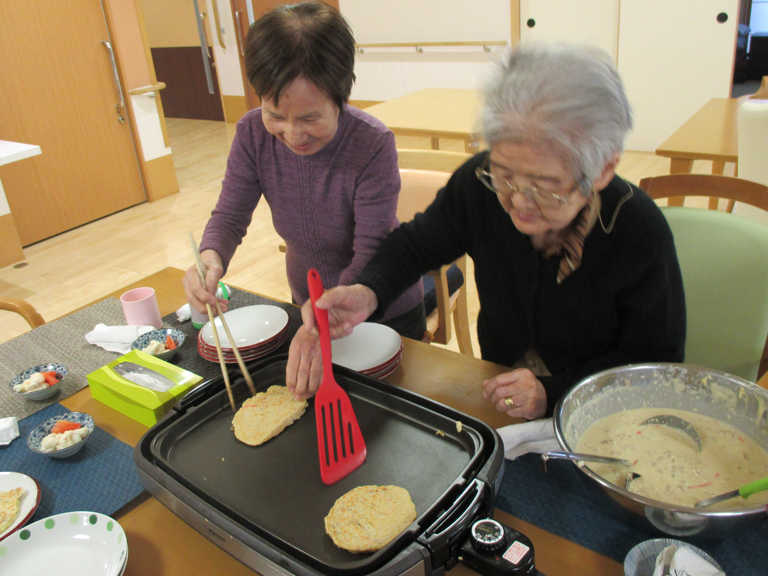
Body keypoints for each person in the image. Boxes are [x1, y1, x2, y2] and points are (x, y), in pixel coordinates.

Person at [286, 43, 686, 419]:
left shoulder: (637, 232)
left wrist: (553, 392)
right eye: (505, 175)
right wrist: (368, 291)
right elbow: (415, 245)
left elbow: (654, 362)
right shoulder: (478, 184)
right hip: (501, 389)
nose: (519, 202)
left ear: (601, 170)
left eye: (545, 187)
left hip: (600, 413)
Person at [182, 2, 424, 344]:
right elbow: (229, 215)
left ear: (341, 96)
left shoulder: (371, 143)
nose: (293, 134)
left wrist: (328, 310)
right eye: (276, 115)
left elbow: (373, 247)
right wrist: (209, 260)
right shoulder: (252, 134)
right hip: (306, 302)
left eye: (310, 118)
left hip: (381, 307)